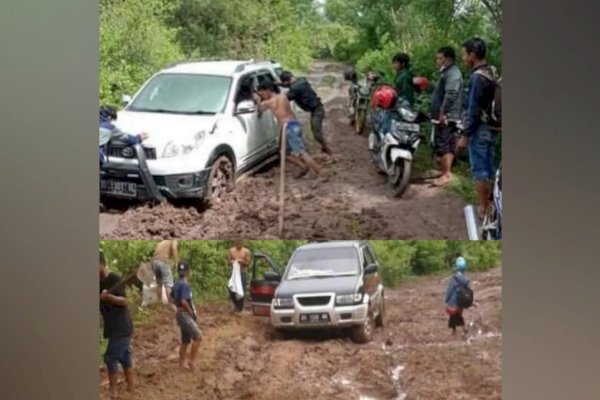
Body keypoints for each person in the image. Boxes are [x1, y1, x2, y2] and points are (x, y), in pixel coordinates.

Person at [457, 37, 497, 219]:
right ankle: (493, 205)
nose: (463, 59)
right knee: (490, 168)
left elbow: (473, 109)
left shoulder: (477, 77)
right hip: (491, 128)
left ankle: (483, 208)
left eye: (464, 55)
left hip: (478, 129)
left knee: (479, 170)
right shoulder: (491, 72)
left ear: (472, 55)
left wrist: (466, 135)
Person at [253, 80, 323, 178]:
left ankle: (318, 171)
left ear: (267, 90)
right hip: (294, 124)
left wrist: (258, 100)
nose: (262, 96)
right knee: (284, 153)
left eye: (262, 93)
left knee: (301, 152)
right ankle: (303, 167)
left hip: (288, 128)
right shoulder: (283, 96)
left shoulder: (269, 102)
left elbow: (260, 110)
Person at [99, 106, 149, 211]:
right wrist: (139, 137)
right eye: (111, 119)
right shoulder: (109, 128)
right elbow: (127, 138)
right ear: (108, 117)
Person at [100, 252, 134, 398]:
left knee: (110, 357)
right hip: (111, 326)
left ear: (101, 264)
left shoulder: (115, 279)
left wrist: (108, 297)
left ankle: (113, 392)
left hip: (121, 326)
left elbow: (124, 301)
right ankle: (131, 386)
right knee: (124, 356)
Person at [430, 46, 464, 187]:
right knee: (442, 143)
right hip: (442, 116)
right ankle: (443, 171)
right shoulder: (447, 72)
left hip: (448, 116)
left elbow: (451, 94)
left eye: (440, 58)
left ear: (448, 59)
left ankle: (446, 174)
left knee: (446, 145)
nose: (437, 61)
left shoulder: (453, 73)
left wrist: (443, 112)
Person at [279, 71, 334, 157]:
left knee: (317, 133)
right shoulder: (302, 81)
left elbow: (285, 98)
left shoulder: (295, 88)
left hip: (317, 110)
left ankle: (329, 151)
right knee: (316, 131)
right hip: (317, 108)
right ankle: (325, 149)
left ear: (286, 81)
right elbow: (289, 86)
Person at [172, 261, 202, 370]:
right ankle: (191, 362)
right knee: (198, 337)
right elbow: (184, 301)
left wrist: (177, 306)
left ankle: (181, 363)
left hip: (180, 314)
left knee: (185, 340)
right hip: (185, 314)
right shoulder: (185, 284)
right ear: (188, 271)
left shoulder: (176, 283)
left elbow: (171, 297)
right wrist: (190, 312)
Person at [445, 256, 471, 336]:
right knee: (458, 314)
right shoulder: (466, 279)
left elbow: (449, 290)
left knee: (453, 315)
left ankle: (455, 331)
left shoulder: (454, 278)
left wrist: (446, 299)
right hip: (462, 300)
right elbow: (468, 290)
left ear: (456, 267)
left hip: (454, 300)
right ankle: (462, 329)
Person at [227, 241, 252, 313]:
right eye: (238, 243)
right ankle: (235, 305)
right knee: (231, 289)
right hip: (233, 273)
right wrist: (232, 262)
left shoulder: (246, 251)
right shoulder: (231, 251)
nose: (239, 244)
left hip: (242, 272)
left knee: (241, 290)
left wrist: (242, 262)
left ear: (243, 243)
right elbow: (228, 261)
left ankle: (240, 308)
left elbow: (248, 263)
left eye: (240, 243)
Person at [151, 240, 179, 306]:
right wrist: (177, 262)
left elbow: (155, 253)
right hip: (163, 260)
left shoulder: (161, 242)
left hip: (155, 262)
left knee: (159, 283)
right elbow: (174, 248)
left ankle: (159, 302)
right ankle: (171, 304)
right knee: (168, 283)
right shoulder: (173, 240)